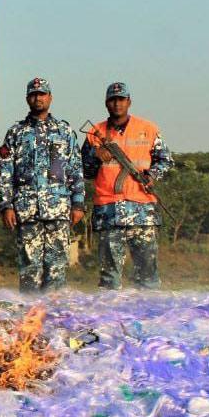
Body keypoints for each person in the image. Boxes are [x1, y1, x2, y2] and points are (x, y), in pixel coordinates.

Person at [81, 81, 173, 289]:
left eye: (121, 99)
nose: (117, 104)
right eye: (112, 100)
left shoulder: (148, 129)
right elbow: (84, 170)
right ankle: (110, 319)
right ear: (106, 103)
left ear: (129, 102)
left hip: (142, 208)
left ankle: (149, 315)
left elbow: (165, 160)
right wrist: (97, 156)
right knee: (109, 277)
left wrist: (152, 175)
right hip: (108, 210)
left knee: (148, 272)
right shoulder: (94, 133)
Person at [0, 77, 85, 292]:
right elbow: (6, 172)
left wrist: (78, 204)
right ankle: (30, 321)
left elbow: (75, 169)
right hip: (27, 211)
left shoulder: (65, 131)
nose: (38, 98)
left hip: (58, 210)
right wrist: (6, 205)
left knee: (56, 268)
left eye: (42, 94)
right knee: (29, 270)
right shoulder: (15, 133)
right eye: (34, 94)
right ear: (27, 98)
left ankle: (54, 320)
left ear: (50, 98)